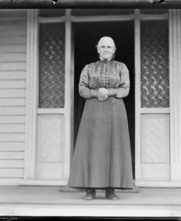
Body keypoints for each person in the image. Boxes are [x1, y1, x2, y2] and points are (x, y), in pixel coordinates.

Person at [67, 36, 134, 200]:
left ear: (114, 49)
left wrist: (108, 92)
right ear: (97, 49)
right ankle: (90, 189)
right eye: (102, 46)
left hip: (115, 111)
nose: (106, 49)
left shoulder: (121, 67)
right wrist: (97, 93)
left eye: (109, 47)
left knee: (113, 148)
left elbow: (125, 89)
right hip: (93, 111)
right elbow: (82, 89)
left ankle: (110, 189)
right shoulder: (88, 68)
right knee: (92, 148)